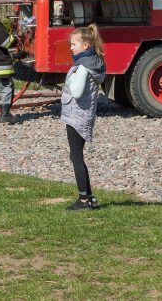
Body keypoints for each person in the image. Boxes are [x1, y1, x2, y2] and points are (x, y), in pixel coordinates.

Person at [61, 25, 107, 211]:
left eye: (73, 44)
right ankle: (89, 197)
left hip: (76, 115)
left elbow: (77, 92)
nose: (71, 47)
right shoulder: (92, 62)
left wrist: (70, 80)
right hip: (83, 115)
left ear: (85, 44)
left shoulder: (83, 66)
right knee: (77, 155)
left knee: (76, 155)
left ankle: (83, 200)